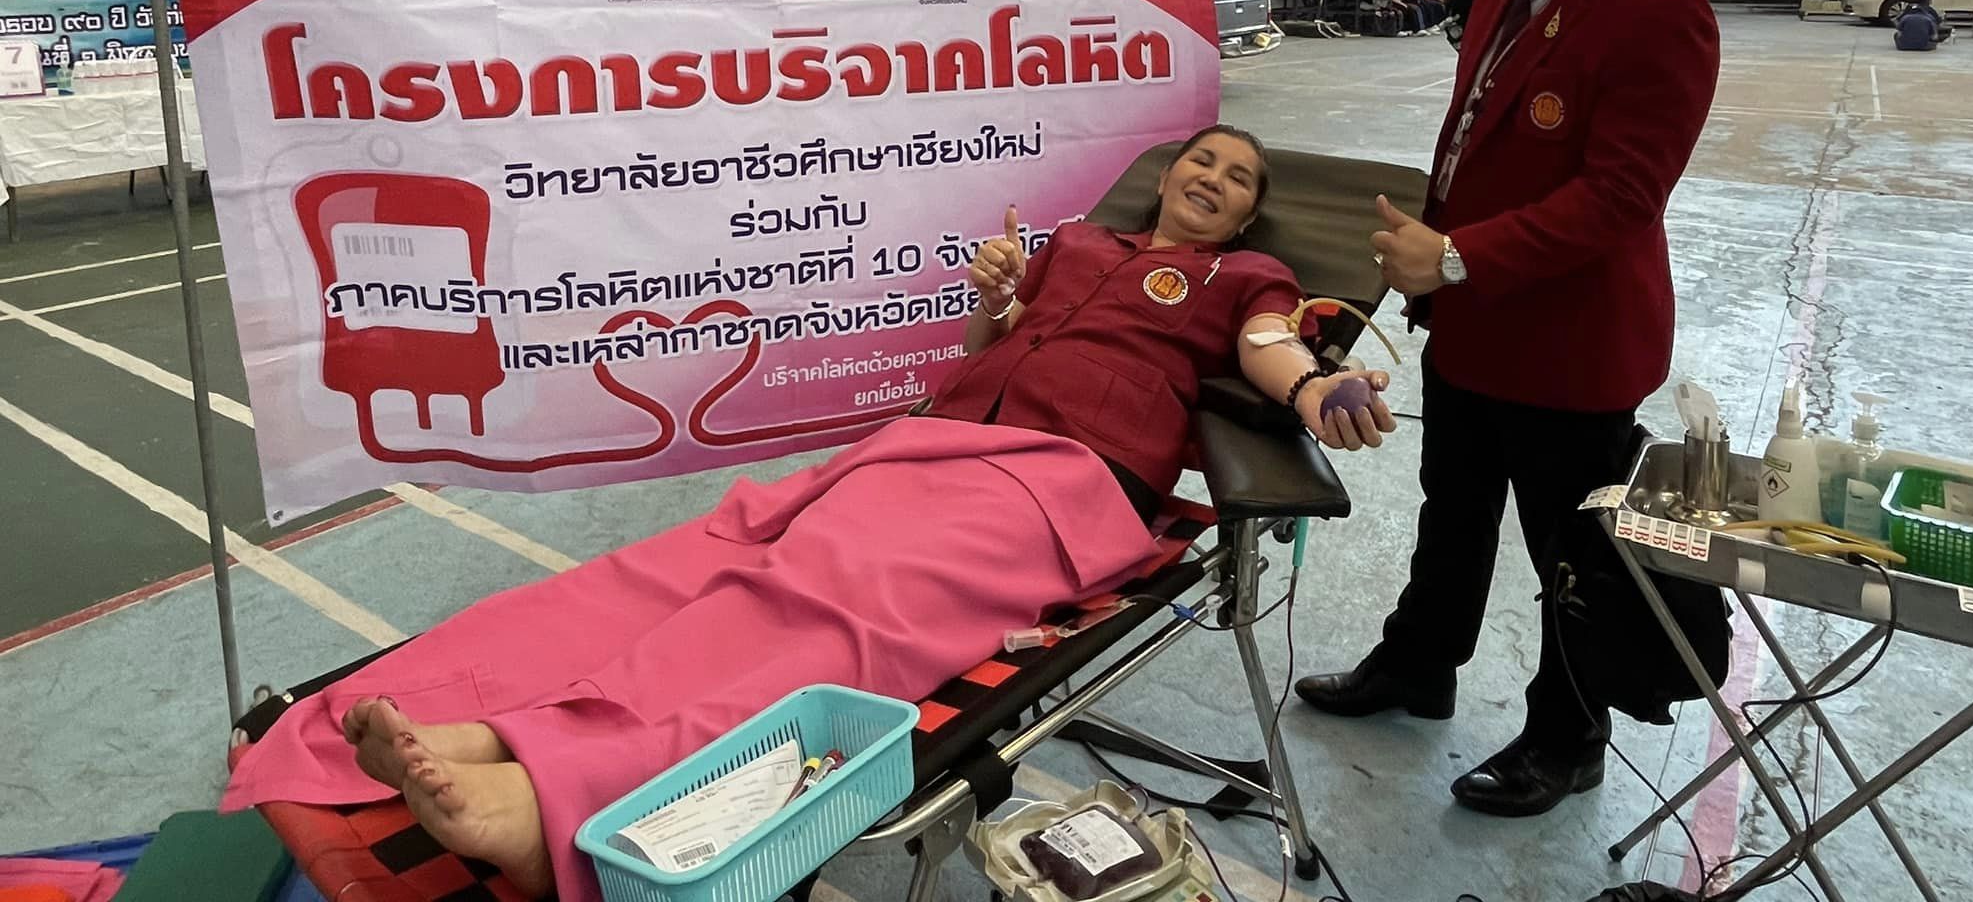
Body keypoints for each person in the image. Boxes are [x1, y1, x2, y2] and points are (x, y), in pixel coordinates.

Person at [227, 128, 1396, 902]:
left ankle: (552, 790)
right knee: (697, 562)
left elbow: (1270, 349)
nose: (1213, 176)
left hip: (1061, 481)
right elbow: (983, 351)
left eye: (1237, 177)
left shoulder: (1241, 281)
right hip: (931, 446)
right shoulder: (1078, 244)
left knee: (831, 606)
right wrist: (993, 301)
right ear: (1168, 174)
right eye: (1202, 159)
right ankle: (483, 718)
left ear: (1247, 217)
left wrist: (1318, 389)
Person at [1296, 0, 1720, 819]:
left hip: (1571, 340)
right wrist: (1436, 259)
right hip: (1475, 318)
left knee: (1570, 554)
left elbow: (1620, 197)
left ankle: (1570, 738)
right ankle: (1419, 664)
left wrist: (1453, 256)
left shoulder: (1659, 6)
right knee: (1452, 510)